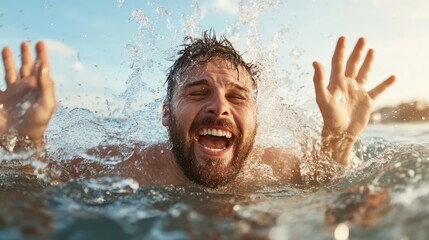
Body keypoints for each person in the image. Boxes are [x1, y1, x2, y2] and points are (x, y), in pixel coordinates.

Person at [0, 32, 395, 188]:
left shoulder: (279, 168)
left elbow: (335, 187)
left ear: (256, 118)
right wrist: (22, 139)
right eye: (198, 91)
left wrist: (340, 139)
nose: (219, 107)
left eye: (237, 97)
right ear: (166, 114)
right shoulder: (126, 169)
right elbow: (33, 189)